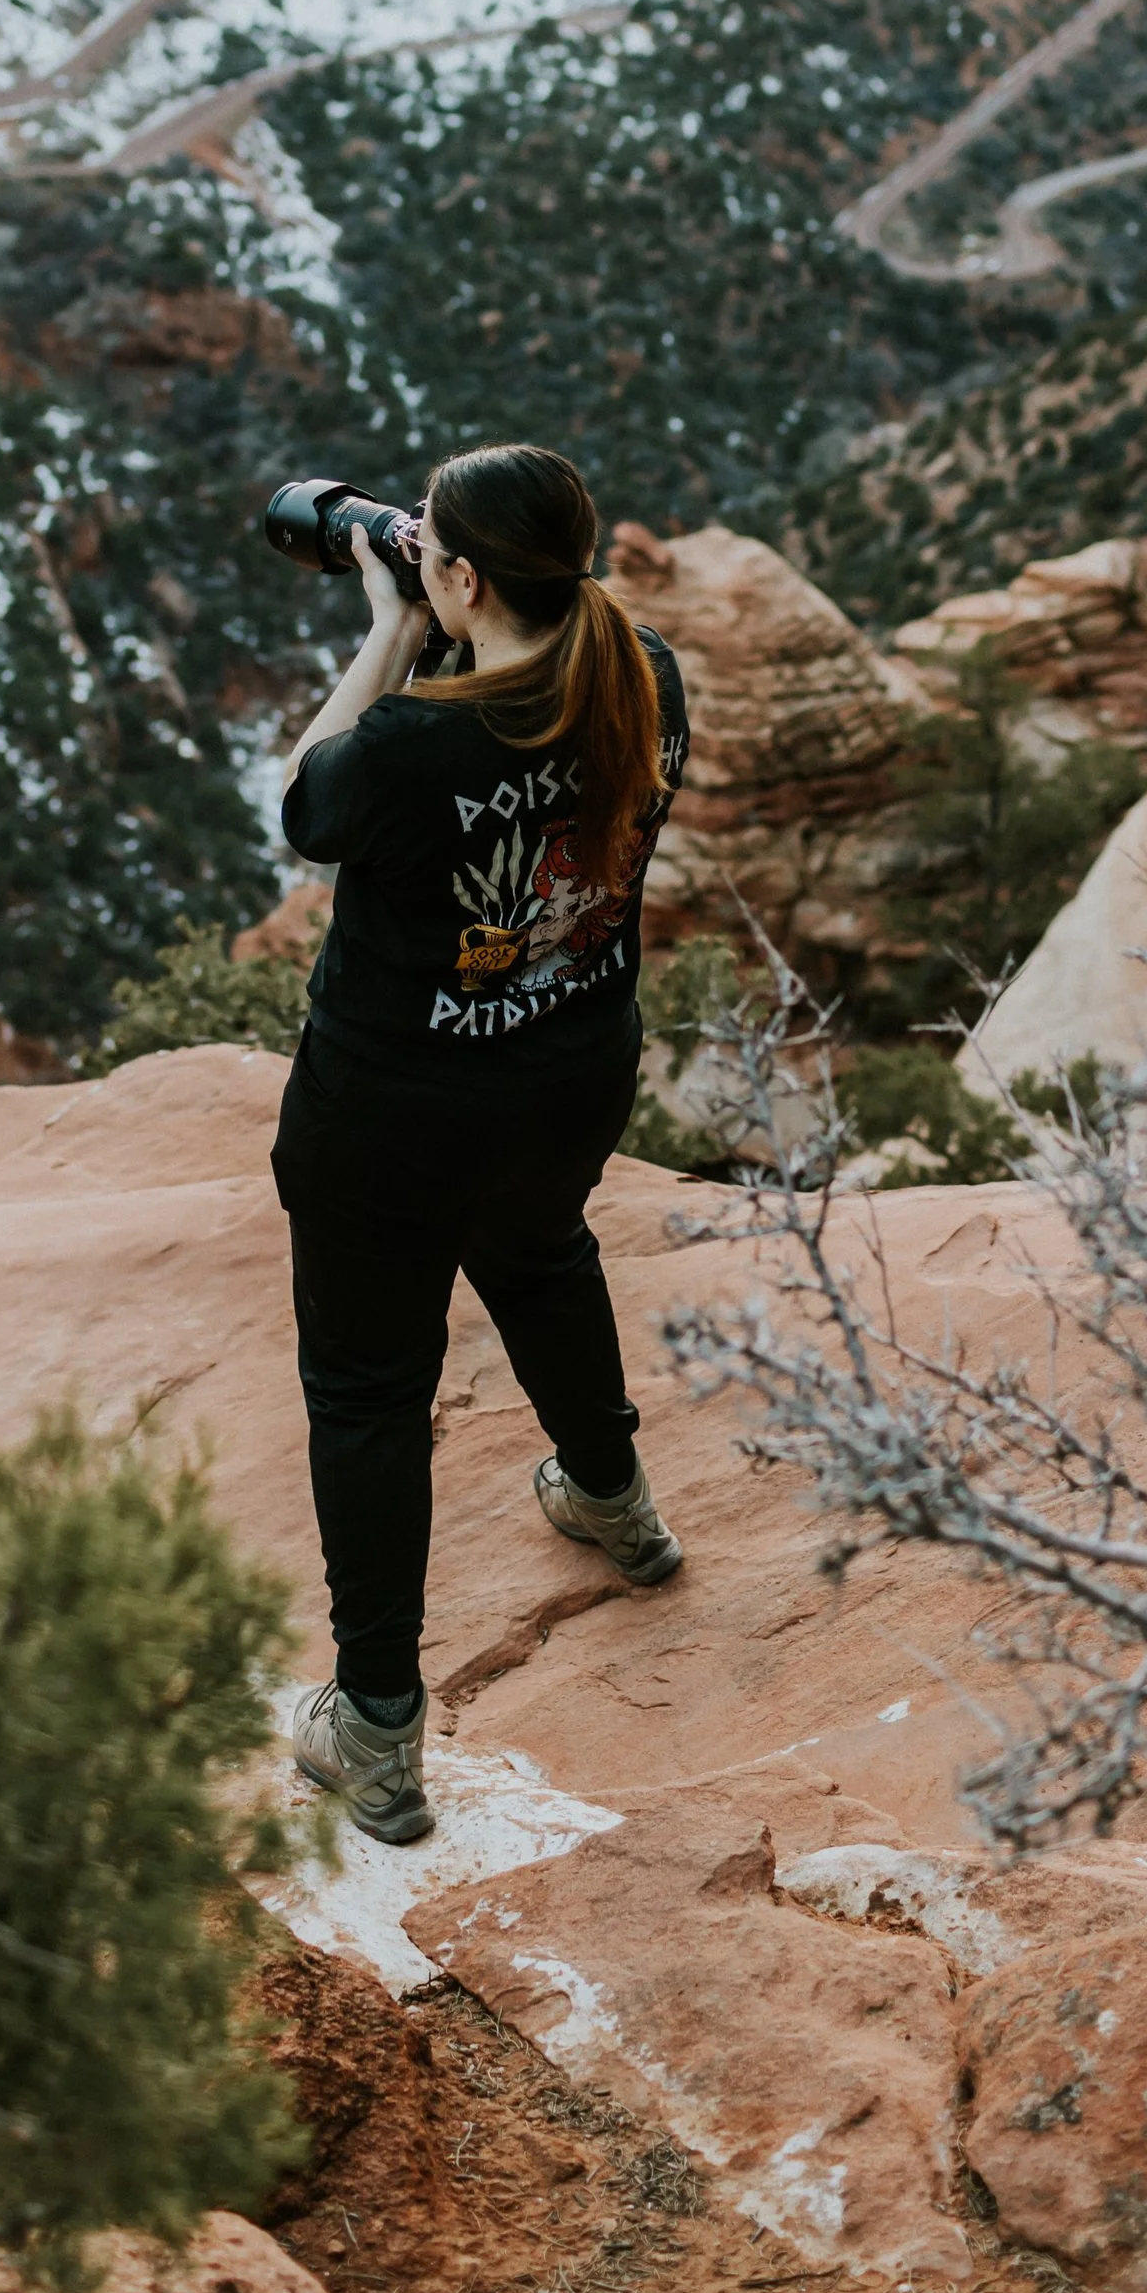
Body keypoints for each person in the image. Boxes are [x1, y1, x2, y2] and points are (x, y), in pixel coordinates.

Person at [273, 440, 693, 1845]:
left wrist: (390, 624)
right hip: (570, 1067)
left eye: (431, 556)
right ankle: (615, 1503)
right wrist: (433, 598)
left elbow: (305, 805)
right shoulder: (648, 679)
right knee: (541, 1249)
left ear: (459, 575)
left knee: (371, 1390)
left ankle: (379, 1734)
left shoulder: (414, 741)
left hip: (392, 1115)